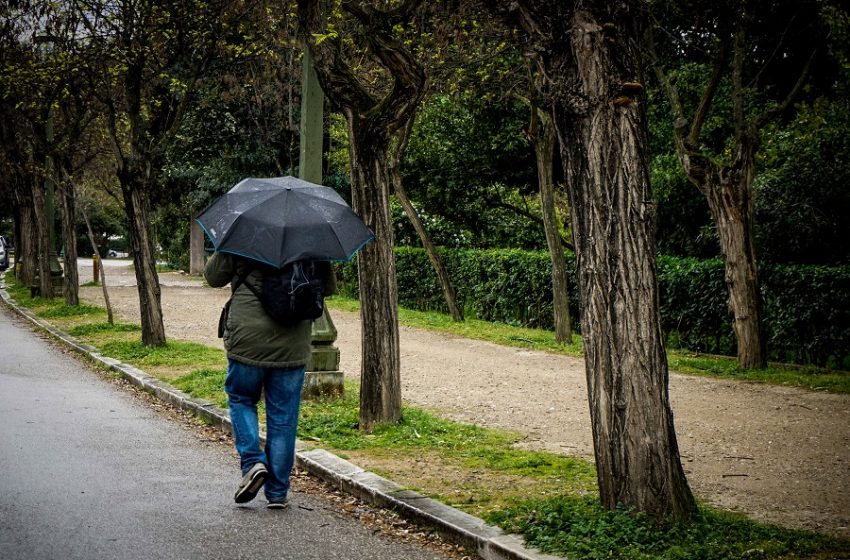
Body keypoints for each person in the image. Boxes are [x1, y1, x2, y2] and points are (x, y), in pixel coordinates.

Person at [204, 252, 336, 509]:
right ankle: (277, 492)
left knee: (242, 398)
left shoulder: (242, 235)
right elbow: (328, 288)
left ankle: (253, 462)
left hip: (247, 338)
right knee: (284, 416)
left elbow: (213, 277)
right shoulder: (310, 240)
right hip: (293, 340)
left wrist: (223, 250)